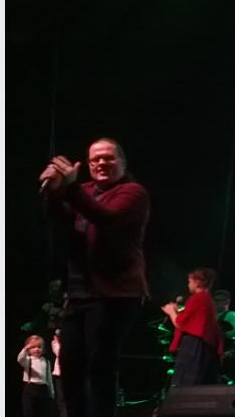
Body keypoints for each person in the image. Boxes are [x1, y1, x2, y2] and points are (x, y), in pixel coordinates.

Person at [38, 137, 150, 417]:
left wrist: (70, 187)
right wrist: (53, 191)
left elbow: (105, 219)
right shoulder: (84, 190)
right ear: (88, 165)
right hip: (79, 293)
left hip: (115, 294)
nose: (101, 163)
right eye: (95, 159)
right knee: (70, 365)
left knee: (99, 364)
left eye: (109, 158)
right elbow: (61, 221)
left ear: (122, 163)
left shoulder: (133, 193)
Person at [161, 267, 223, 387]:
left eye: (189, 281)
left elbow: (180, 323)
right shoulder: (206, 299)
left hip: (195, 344)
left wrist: (171, 312)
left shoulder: (198, 298)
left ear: (197, 282)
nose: (188, 285)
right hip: (202, 344)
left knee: (187, 381)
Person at [18, 335, 54, 417]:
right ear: (29, 349)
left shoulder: (46, 361)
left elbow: (49, 378)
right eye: (33, 347)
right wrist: (26, 348)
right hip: (30, 389)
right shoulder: (27, 360)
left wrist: (51, 392)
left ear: (43, 348)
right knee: (29, 413)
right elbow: (19, 359)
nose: (37, 349)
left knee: (43, 413)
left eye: (39, 347)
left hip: (43, 390)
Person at [50, 331, 66, 417]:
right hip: (59, 376)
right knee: (61, 399)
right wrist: (57, 339)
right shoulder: (55, 343)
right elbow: (59, 353)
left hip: (70, 375)